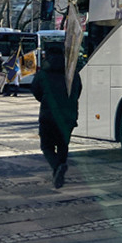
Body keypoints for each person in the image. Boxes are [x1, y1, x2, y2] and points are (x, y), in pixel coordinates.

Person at [32, 45, 81, 189]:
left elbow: (36, 91)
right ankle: (59, 169)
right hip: (68, 115)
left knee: (46, 146)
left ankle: (57, 166)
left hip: (49, 115)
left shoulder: (43, 74)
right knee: (63, 145)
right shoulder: (73, 73)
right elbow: (78, 91)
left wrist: (47, 101)